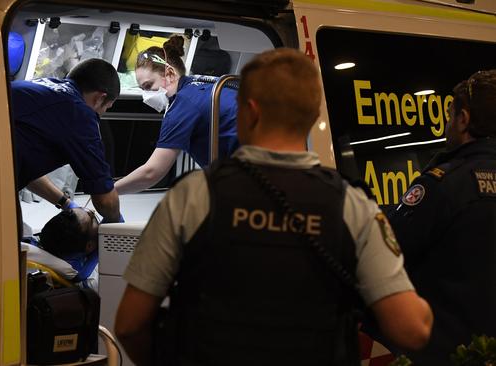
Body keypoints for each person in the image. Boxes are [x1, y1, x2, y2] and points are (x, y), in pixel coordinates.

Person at [114, 48, 433, 366]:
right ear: (315, 115)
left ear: (248, 112)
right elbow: (411, 330)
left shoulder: (191, 197)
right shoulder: (354, 205)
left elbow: (129, 325)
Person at [388, 70, 496, 365]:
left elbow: (389, 251)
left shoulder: (444, 184)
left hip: (446, 352)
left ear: (463, 119)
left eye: (450, 116)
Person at [114, 35, 239, 194]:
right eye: (143, 89)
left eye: (148, 85)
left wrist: (110, 191)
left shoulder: (182, 105)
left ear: (170, 74)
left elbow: (151, 172)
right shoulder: (204, 85)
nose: (146, 95)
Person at [11, 58, 121, 222]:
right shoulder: (79, 114)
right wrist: (117, 223)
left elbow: (23, 167)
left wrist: (66, 203)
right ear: (99, 98)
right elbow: (105, 201)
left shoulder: (38, 86)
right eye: (106, 107)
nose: (101, 114)